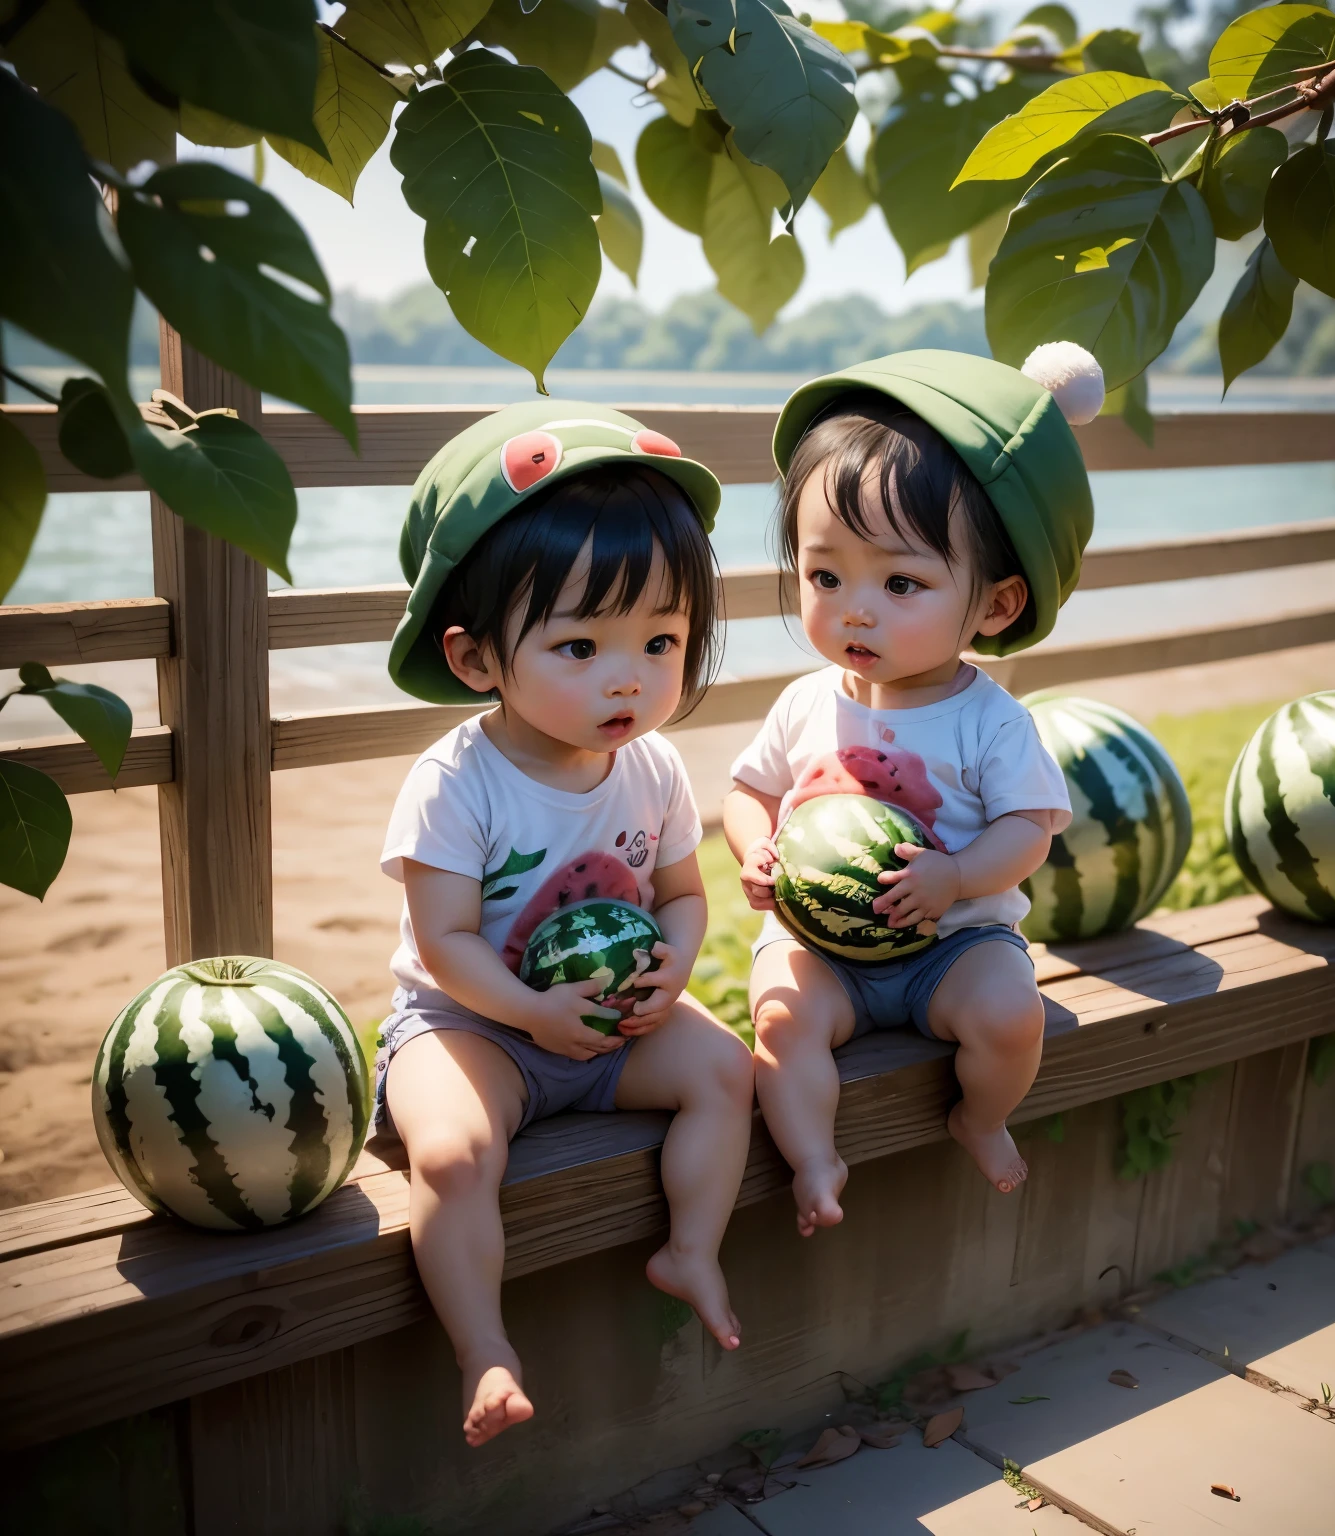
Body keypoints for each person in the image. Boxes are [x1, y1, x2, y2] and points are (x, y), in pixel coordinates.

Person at [372, 405, 755, 1446]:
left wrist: (675, 963)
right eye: (581, 644)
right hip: (472, 1027)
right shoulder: (458, 781)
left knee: (729, 1074)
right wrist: (532, 1016)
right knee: (451, 1155)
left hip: (608, 1027)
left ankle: (692, 1249)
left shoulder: (655, 765)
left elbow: (681, 890)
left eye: (661, 640)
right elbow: (445, 943)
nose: (628, 676)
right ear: (477, 657)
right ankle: (483, 1349)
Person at [723, 344, 1104, 1238]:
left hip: (953, 949)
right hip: (825, 949)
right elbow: (747, 792)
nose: (856, 608)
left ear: (994, 606)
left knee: (1014, 1017)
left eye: (901, 582)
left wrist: (957, 877)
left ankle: (979, 1116)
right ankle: (815, 1158)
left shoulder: (990, 721)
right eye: (826, 576)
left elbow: (1028, 832)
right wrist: (758, 849)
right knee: (779, 1017)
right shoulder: (805, 702)